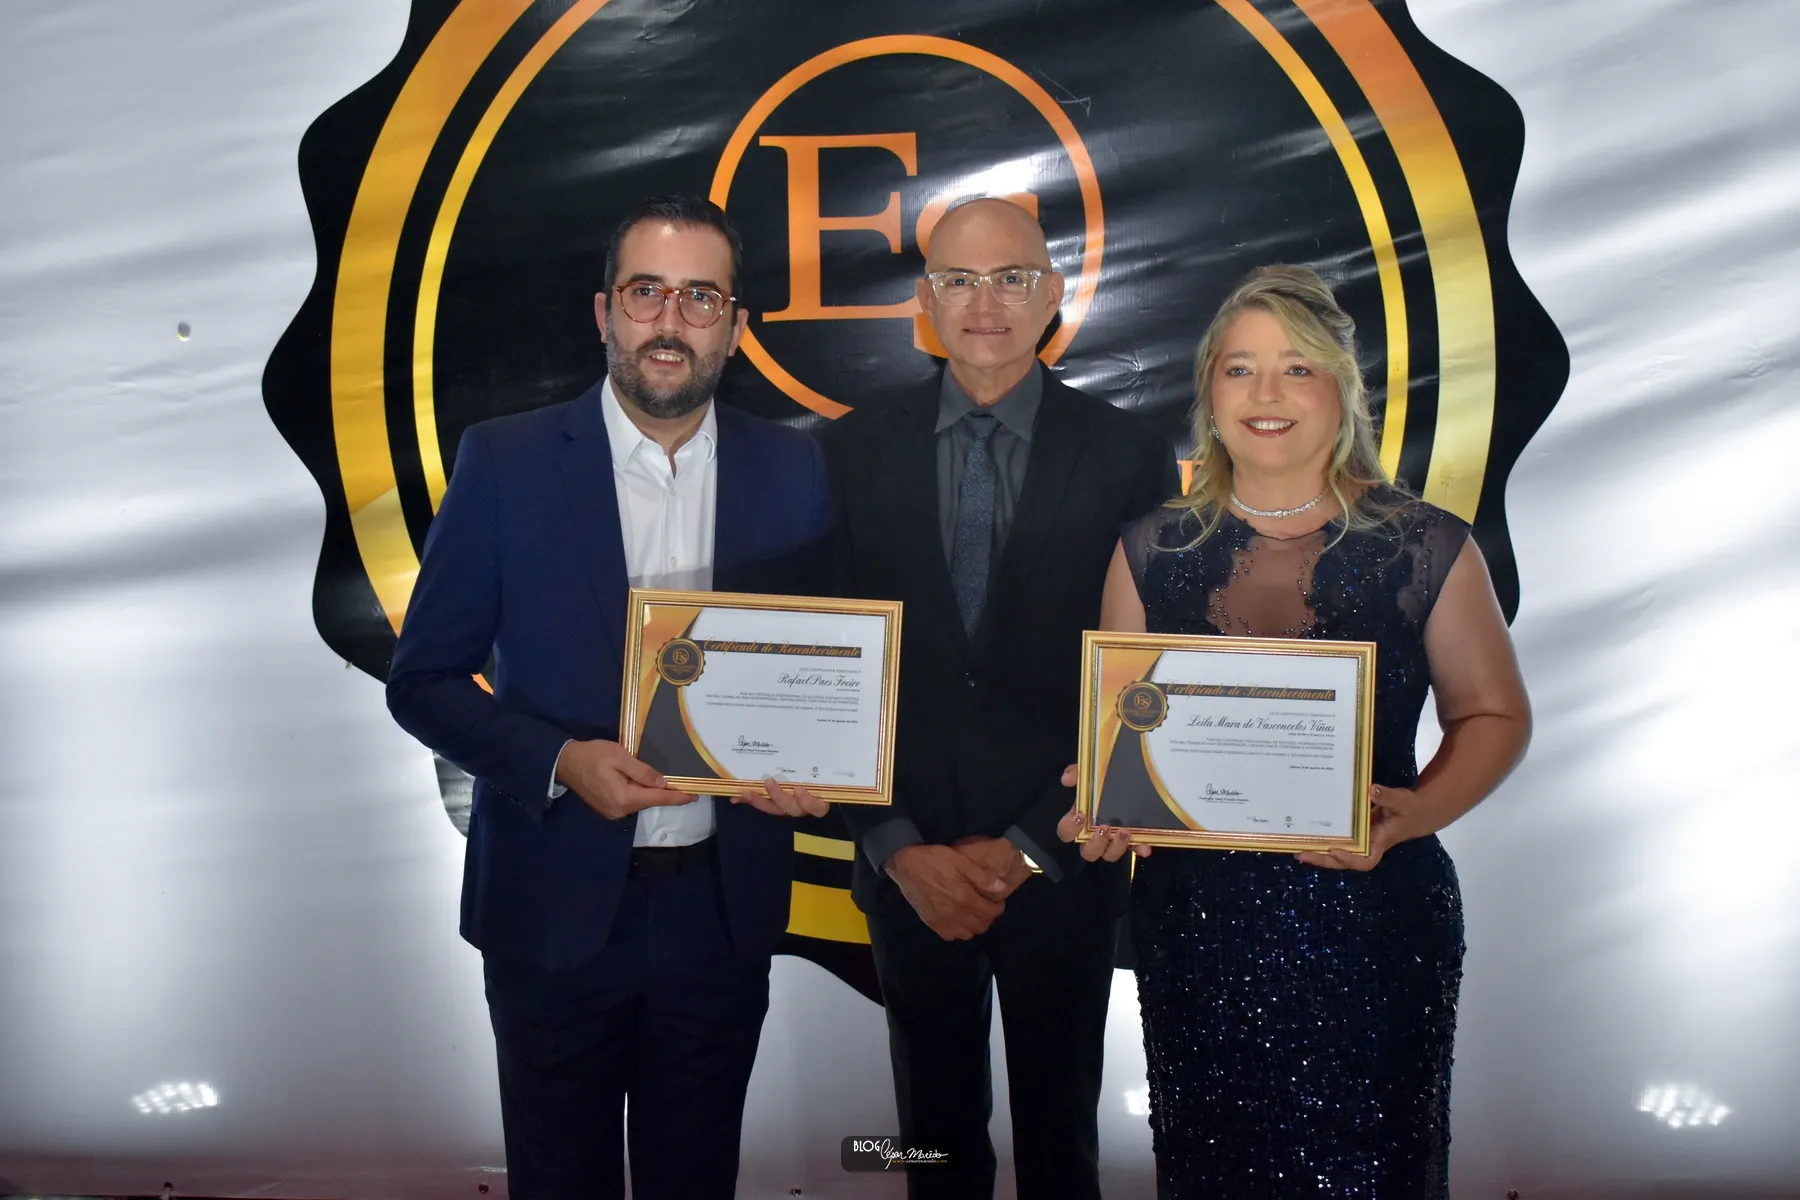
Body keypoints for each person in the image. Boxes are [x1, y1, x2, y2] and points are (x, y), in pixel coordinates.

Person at [386, 195, 832, 1200]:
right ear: (604, 312)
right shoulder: (503, 462)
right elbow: (422, 681)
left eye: (701, 297)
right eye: (646, 293)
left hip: (721, 911)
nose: (671, 321)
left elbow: (815, 676)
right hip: (551, 908)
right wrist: (560, 761)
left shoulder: (793, 467)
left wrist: (812, 768)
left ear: (736, 325)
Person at [1059, 265, 1532, 1197]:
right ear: (1209, 394)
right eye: (1239, 369)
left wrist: (1415, 813)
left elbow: (1494, 715)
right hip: (1197, 931)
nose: (1265, 394)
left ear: (1341, 391)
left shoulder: (1427, 544)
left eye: (1296, 369)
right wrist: (1106, 810)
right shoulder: (1147, 549)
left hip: (1373, 920)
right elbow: (1121, 738)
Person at [822, 197, 1178, 1198]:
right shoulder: (846, 450)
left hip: (1062, 858)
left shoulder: (1128, 453)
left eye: (1013, 277)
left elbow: (1142, 674)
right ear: (925, 300)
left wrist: (1029, 846)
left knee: (1063, 1141)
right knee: (929, 1144)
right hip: (909, 863)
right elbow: (830, 671)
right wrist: (895, 845)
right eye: (960, 280)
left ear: (1053, 293)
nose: (987, 303)